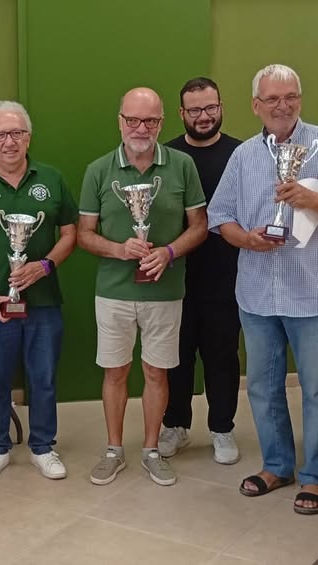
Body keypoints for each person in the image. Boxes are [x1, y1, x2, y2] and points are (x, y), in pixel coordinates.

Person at [78, 87, 207, 487]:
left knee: (156, 373)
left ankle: (152, 449)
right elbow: (84, 234)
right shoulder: (98, 170)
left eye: (150, 120)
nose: (141, 128)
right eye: (132, 120)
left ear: (161, 122)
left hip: (165, 291)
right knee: (115, 372)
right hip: (113, 292)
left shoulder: (182, 165)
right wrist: (119, 249)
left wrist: (168, 252)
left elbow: (199, 226)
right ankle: (114, 450)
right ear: (120, 121)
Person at [208, 64, 318, 515]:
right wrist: (246, 239)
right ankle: (276, 466)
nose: (282, 105)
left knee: (315, 390)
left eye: (290, 96)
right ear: (256, 105)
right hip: (256, 293)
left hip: (311, 294)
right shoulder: (243, 156)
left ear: (300, 100)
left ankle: (314, 476)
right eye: (272, 98)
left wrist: (313, 200)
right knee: (263, 387)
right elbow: (220, 216)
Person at [0, 100, 77, 481]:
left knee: (43, 378)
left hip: (44, 302)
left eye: (17, 133)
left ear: (28, 137)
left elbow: (70, 233)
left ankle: (43, 447)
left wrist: (44, 266)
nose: (9, 142)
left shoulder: (51, 179)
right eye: (0, 135)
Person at [159, 78, 242, 465]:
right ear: (182, 113)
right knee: (175, 357)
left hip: (226, 277)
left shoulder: (241, 154)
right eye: (195, 110)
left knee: (222, 356)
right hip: (175, 277)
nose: (204, 116)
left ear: (221, 107)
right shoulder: (167, 156)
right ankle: (175, 424)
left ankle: (222, 428)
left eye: (210, 108)